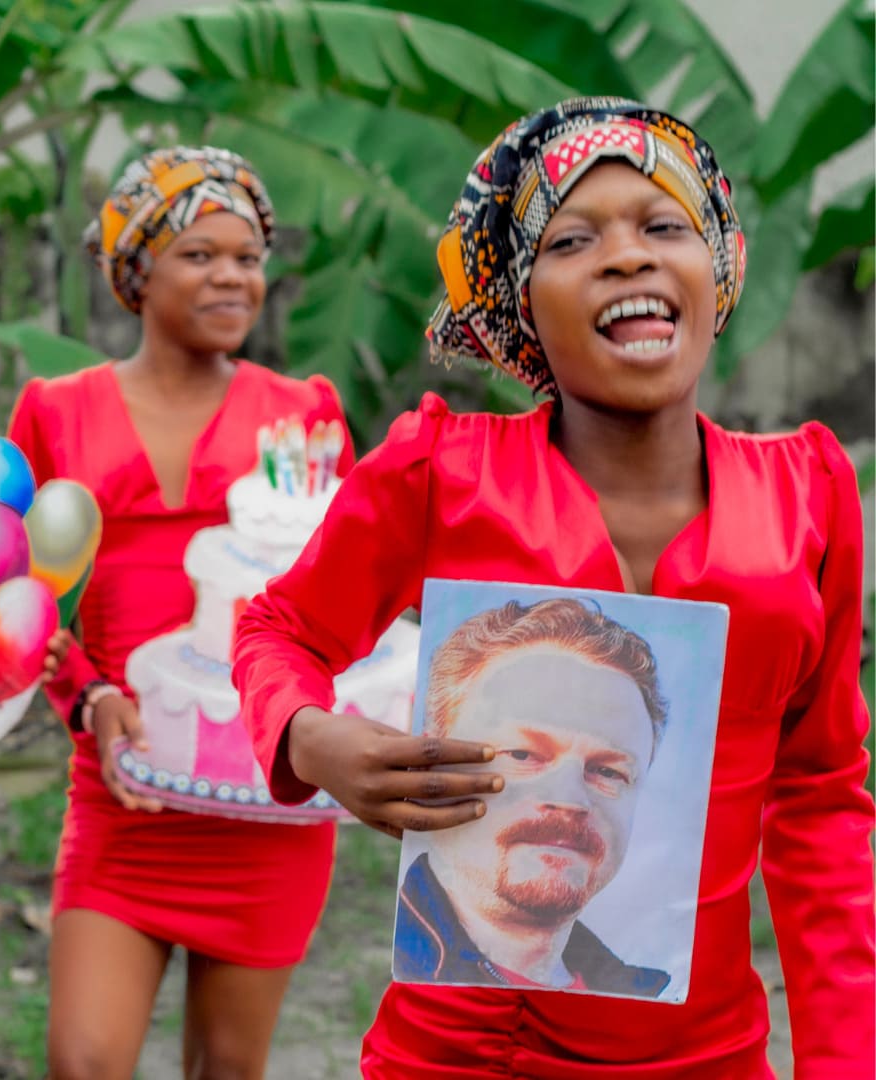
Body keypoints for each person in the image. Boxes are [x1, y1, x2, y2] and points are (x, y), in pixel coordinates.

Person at [234, 98, 873, 1076]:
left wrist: (846, 1059)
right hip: (454, 1056)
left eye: (666, 226)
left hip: (706, 1059)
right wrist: (310, 738)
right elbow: (279, 629)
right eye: (574, 238)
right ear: (525, 300)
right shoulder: (439, 475)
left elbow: (821, 799)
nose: (628, 256)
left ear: (723, 268)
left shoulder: (809, 500)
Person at [10, 146, 356, 1080]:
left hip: (262, 796)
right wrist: (86, 702)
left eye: (247, 256)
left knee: (229, 1071)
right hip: (122, 793)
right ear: (137, 270)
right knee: (84, 1063)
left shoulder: (304, 412)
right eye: (200, 254)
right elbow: (21, 597)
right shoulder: (54, 410)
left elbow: (348, 593)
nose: (233, 276)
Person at [393, 598, 670, 997]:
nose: (570, 799)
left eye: (608, 771)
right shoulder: (403, 968)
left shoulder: (650, 995)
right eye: (522, 755)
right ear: (429, 762)